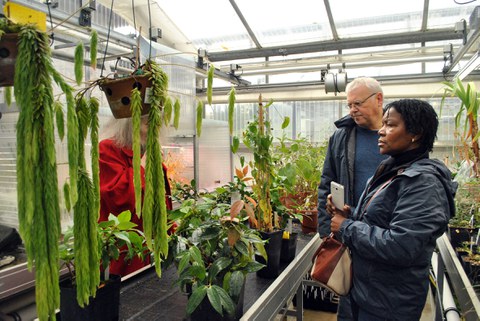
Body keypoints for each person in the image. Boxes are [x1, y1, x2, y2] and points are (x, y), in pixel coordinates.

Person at [328, 99, 457, 321]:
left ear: (415, 133)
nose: (381, 131)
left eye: (390, 125)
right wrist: (350, 215)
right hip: (365, 292)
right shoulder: (392, 169)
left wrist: (347, 227)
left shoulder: (424, 183)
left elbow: (400, 245)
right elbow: (379, 221)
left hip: (388, 304)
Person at [317, 77, 387, 320]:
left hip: (385, 240)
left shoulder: (401, 135)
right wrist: (327, 231)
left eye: (357, 103)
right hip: (349, 236)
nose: (352, 110)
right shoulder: (342, 137)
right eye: (349, 105)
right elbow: (326, 183)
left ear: (379, 99)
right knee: (348, 305)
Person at [99, 115, 173, 277]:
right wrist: (144, 165)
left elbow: (161, 202)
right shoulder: (108, 149)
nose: (155, 118)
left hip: (152, 252)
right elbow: (118, 200)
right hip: (123, 252)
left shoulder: (146, 150)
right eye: (145, 114)